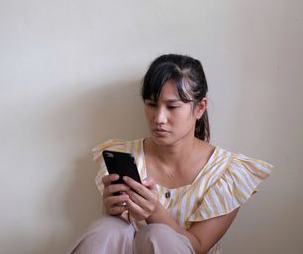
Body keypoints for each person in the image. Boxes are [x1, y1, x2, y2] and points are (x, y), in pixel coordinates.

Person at [67, 54, 273, 254]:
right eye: (151, 105)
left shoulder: (228, 173)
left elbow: (199, 247)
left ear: (200, 108)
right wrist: (111, 209)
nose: (159, 118)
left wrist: (154, 212)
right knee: (108, 228)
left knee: (158, 235)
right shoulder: (123, 155)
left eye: (172, 106)